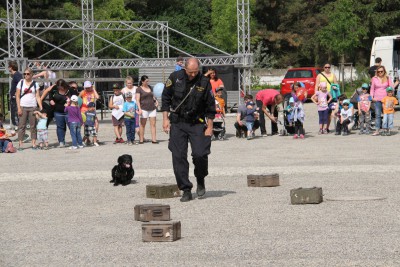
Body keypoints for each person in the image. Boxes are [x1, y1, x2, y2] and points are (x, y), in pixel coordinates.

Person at [161, 57, 216, 202]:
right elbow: (165, 98)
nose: (193, 75)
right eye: (190, 72)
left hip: (197, 123)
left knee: (200, 154)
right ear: (185, 68)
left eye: (195, 72)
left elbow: (210, 106)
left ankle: (200, 178)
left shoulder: (204, 82)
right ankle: (185, 188)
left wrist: (209, 127)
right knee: (178, 156)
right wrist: (165, 119)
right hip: (178, 122)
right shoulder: (175, 77)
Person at [42, 79, 75, 147]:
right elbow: (50, 94)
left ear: (64, 85)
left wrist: (71, 102)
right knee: (60, 127)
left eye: (61, 87)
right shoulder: (54, 88)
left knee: (71, 126)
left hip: (68, 111)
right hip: (57, 111)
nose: (59, 88)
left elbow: (76, 98)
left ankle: (75, 141)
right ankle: (61, 142)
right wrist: (51, 100)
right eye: (58, 86)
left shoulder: (70, 90)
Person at [16, 67, 42, 150]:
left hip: (33, 107)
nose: (26, 75)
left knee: (33, 126)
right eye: (24, 74)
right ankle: (20, 144)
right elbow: (17, 96)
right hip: (23, 106)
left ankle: (33, 143)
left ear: (31, 75)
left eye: (27, 74)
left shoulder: (35, 84)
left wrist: (40, 106)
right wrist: (19, 108)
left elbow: (37, 96)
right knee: (21, 126)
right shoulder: (21, 82)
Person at [370, 66, 395, 136]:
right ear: (376, 72)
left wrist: (390, 96)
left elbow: (391, 88)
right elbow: (372, 89)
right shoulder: (374, 79)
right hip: (377, 99)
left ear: (384, 71)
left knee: (386, 115)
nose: (380, 73)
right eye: (378, 72)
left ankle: (386, 129)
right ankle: (377, 130)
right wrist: (372, 97)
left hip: (386, 100)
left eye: (381, 71)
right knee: (377, 115)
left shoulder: (387, 78)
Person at [136, 75, 158, 144]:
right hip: (143, 108)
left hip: (152, 108)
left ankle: (154, 139)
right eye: (146, 81)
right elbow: (137, 100)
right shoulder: (139, 89)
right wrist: (139, 109)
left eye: (148, 81)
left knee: (153, 124)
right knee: (143, 124)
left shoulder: (150, 87)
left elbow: (153, 96)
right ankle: (141, 139)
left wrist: (156, 101)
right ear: (142, 81)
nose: (147, 82)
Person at [8, 61, 23, 128]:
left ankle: (19, 129)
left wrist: (16, 92)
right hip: (14, 97)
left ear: (11, 67)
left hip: (15, 98)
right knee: (15, 115)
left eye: (9, 67)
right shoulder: (16, 75)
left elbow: (21, 82)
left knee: (15, 114)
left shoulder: (17, 75)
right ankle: (19, 129)